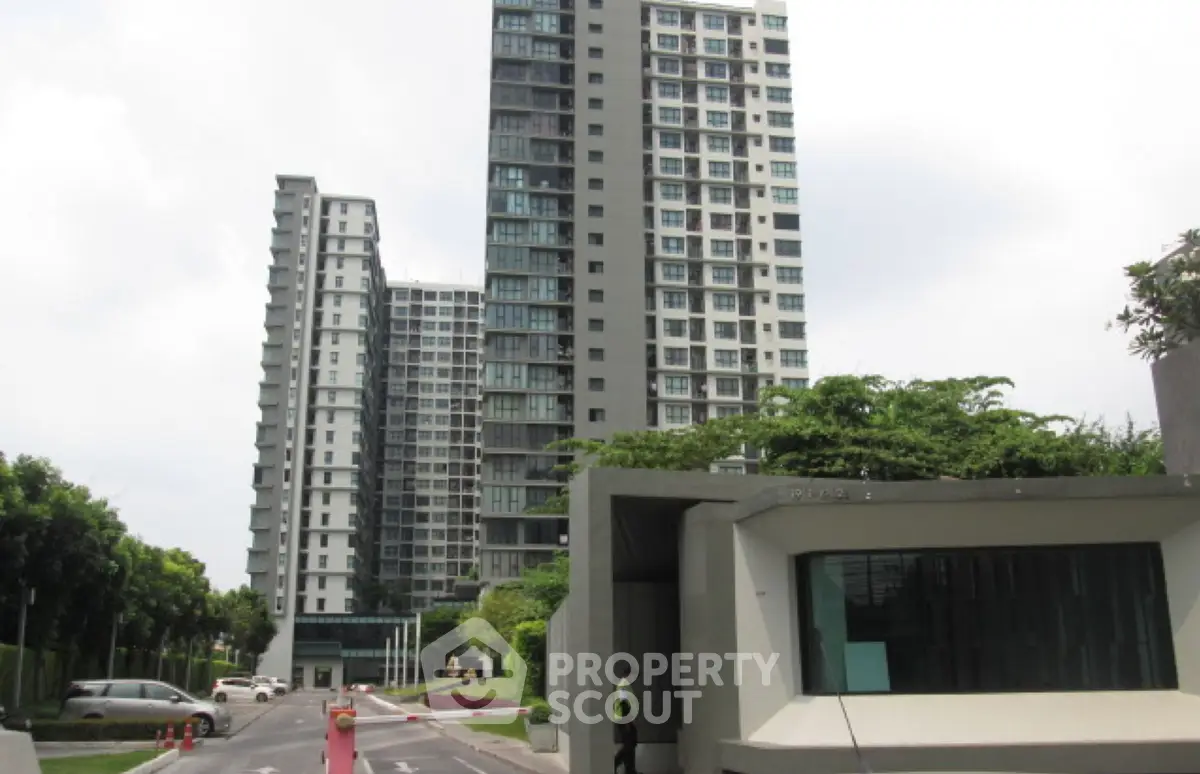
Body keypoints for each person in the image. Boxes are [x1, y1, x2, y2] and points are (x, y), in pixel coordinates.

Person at [614, 699, 637, 774]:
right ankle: (630, 770)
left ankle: (630, 770)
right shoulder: (626, 721)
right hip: (630, 743)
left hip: (629, 743)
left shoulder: (624, 721)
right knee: (628, 754)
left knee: (627, 754)